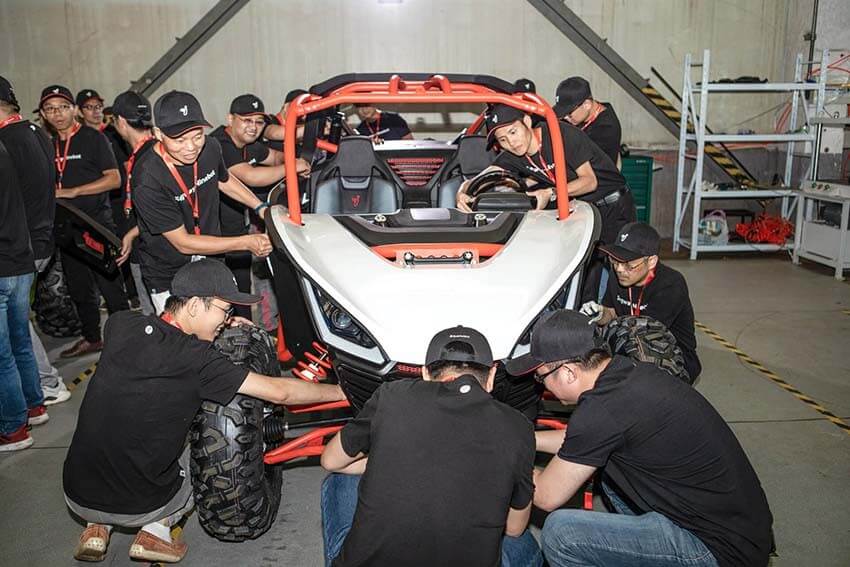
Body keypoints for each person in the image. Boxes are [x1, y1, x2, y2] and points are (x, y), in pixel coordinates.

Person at [63, 259, 345, 562]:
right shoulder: (199, 361)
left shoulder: (120, 325)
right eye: (225, 311)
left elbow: (162, 335)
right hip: (141, 505)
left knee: (120, 422)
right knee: (206, 445)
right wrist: (343, 392)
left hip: (76, 494)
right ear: (196, 305)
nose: (229, 318)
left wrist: (219, 324)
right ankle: (157, 530)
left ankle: (97, 529)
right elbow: (282, 391)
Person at [507, 310, 773, 567]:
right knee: (609, 469)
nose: (542, 387)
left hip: (717, 550)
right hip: (740, 526)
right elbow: (578, 440)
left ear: (568, 372)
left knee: (561, 534)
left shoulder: (601, 410)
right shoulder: (624, 372)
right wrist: (526, 438)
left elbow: (545, 495)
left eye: (541, 379)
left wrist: (500, 455)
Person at [320, 326, 541, 567]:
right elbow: (515, 527)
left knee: (339, 480)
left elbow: (330, 460)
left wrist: (388, 462)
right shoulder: (518, 427)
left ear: (425, 373)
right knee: (523, 544)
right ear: (491, 377)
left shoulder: (392, 395)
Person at [131, 90, 273, 313]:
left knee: (222, 322)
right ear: (158, 134)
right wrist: (245, 242)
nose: (190, 148)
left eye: (197, 136)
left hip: (210, 258)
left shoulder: (210, 147)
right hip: (170, 272)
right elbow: (183, 243)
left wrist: (260, 207)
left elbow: (224, 180)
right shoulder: (147, 178)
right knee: (184, 339)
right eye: (179, 140)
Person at [40, 84, 130, 357]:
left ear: (74, 110)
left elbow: (115, 178)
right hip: (65, 226)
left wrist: (74, 191)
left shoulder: (92, 138)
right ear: (43, 114)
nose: (57, 114)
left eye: (63, 107)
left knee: (110, 286)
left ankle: (128, 340)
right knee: (79, 288)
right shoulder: (46, 144)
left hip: (96, 223)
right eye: (50, 109)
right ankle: (92, 338)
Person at [0, 76, 71, 403]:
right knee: (19, 326)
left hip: (22, 246)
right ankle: (43, 383)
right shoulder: (33, 132)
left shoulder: (8, 141)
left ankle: (45, 383)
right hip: (40, 238)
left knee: (15, 331)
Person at [209, 94, 310, 319]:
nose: (253, 127)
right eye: (246, 120)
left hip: (235, 227)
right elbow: (250, 176)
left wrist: (293, 160)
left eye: (258, 122)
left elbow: (274, 158)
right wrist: (292, 167)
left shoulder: (249, 145)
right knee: (221, 293)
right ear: (230, 119)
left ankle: (244, 333)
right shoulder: (219, 144)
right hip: (213, 232)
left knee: (241, 289)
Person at [581, 222, 702, 380]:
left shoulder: (671, 284)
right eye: (615, 261)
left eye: (629, 265)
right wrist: (601, 313)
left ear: (651, 261)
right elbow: (612, 312)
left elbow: (645, 335)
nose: (619, 269)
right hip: (630, 346)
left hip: (670, 356)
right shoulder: (618, 274)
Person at [0, 138, 45, 451]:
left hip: (3, 266)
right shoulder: (5, 148)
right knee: (20, 342)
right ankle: (34, 406)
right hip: (20, 259)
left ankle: (13, 428)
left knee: (2, 354)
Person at [109, 90, 157, 315]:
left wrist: (131, 233)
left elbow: (161, 207)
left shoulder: (147, 159)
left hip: (152, 252)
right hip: (146, 246)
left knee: (157, 320)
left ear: (119, 121)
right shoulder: (151, 151)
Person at [552, 76, 622, 167]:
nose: (565, 118)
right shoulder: (583, 115)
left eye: (569, 113)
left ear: (587, 105)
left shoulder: (606, 130)